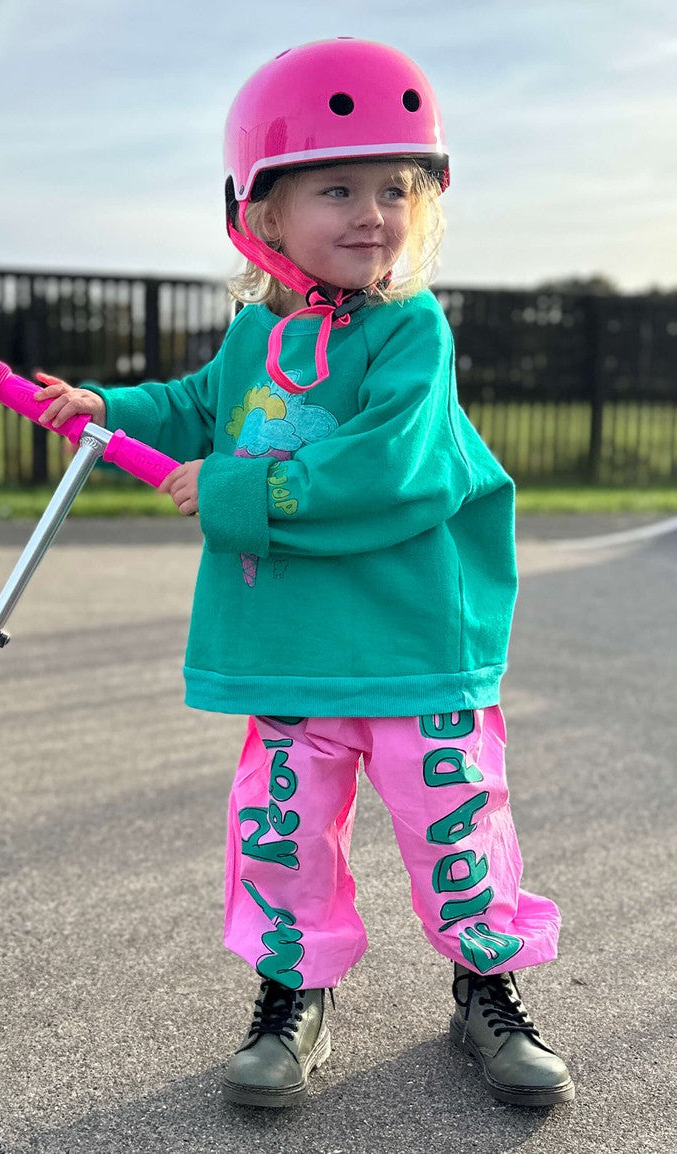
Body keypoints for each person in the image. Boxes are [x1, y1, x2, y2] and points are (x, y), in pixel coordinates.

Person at [32, 37, 574, 1110]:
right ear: (264, 215)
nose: (372, 213)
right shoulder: (253, 337)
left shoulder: (410, 331)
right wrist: (108, 407)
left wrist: (234, 491)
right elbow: (196, 405)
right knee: (280, 832)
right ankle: (292, 991)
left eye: (394, 189)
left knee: (455, 826)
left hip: (414, 647)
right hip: (292, 647)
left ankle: (486, 984)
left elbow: (390, 466)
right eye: (337, 189)